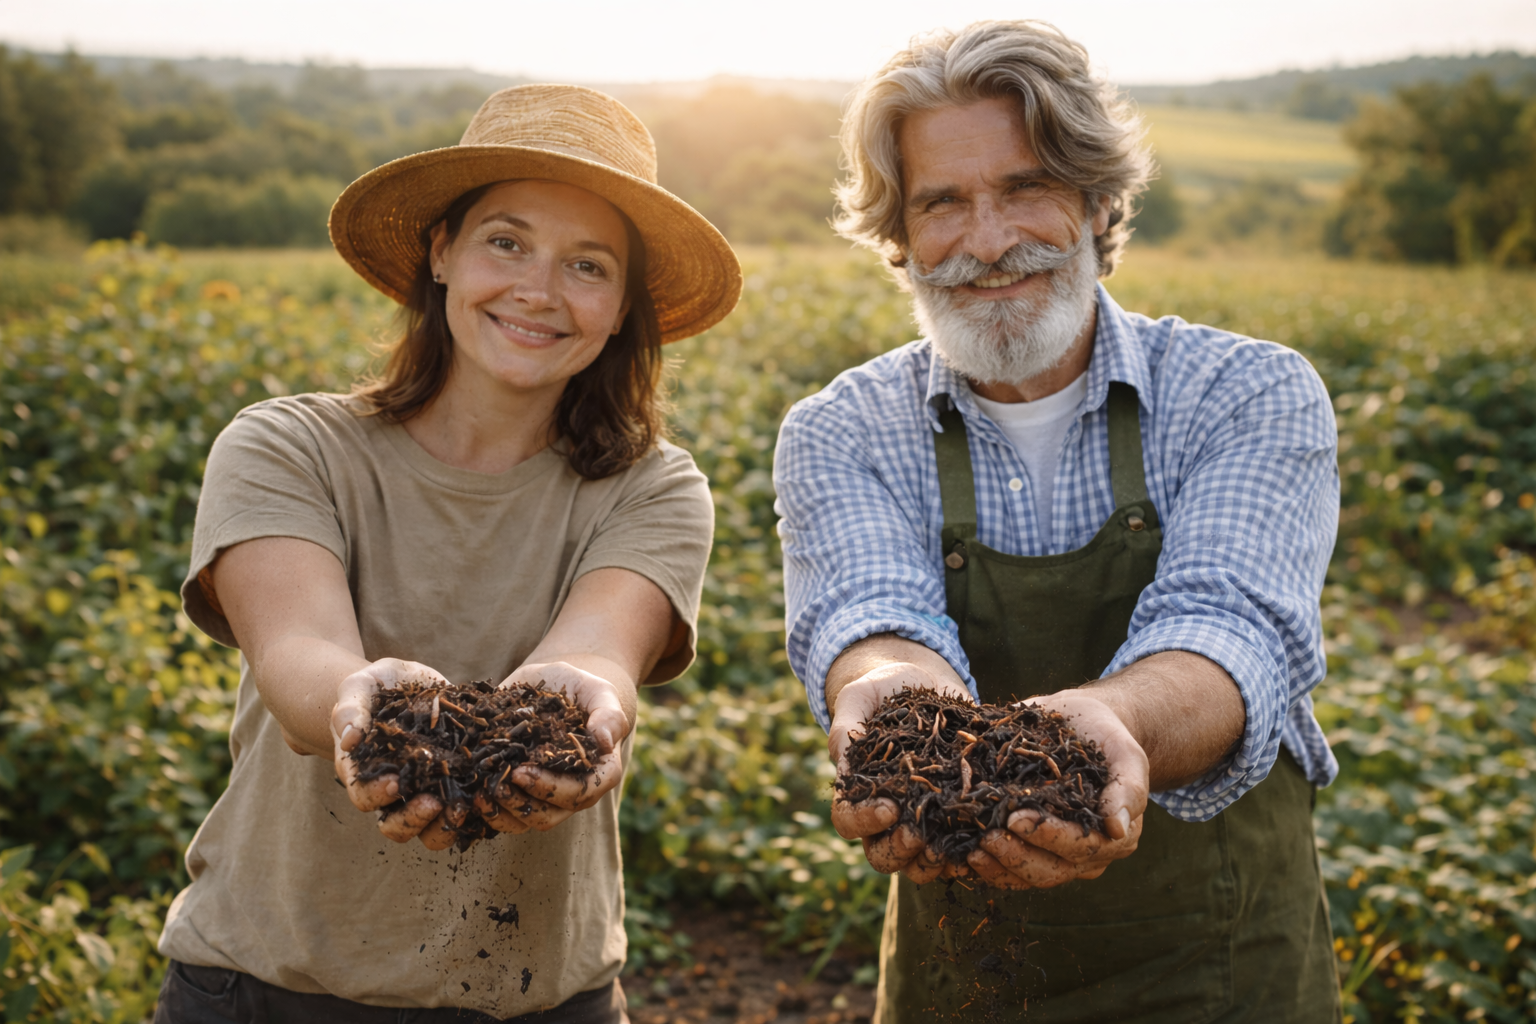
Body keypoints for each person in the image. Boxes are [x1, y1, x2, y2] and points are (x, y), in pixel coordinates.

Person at [774, 21, 1342, 1024]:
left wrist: (1116, 722)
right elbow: (872, 614)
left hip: (1219, 967)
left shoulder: (1245, 392)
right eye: (943, 201)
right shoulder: (844, 429)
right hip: (966, 968)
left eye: (1027, 186)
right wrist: (895, 702)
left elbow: (1233, 623)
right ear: (899, 236)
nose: (989, 241)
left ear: (1096, 199)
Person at [153, 84, 740, 1023]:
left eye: (587, 265)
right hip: (270, 987)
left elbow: (595, 652)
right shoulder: (286, 447)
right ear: (441, 253)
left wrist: (580, 707)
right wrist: (366, 703)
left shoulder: (653, 488)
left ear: (625, 305)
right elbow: (298, 654)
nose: (538, 291)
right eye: (505, 242)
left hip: (540, 996)